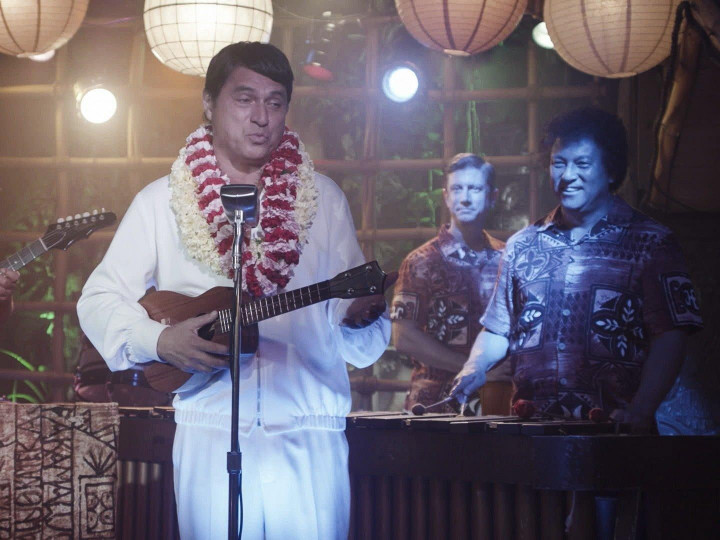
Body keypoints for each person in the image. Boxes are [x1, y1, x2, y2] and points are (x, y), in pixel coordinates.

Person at [77, 42, 390, 539]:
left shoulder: (323, 200)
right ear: (209, 103)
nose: (261, 117)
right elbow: (98, 300)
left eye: (275, 102)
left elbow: (357, 339)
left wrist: (360, 319)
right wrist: (159, 341)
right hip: (209, 430)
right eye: (245, 99)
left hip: (309, 433)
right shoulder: (162, 201)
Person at [451, 107, 703, 432]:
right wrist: (474, 366)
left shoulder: (652, 242)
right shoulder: (521, 245)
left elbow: (671, 335)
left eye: (582, 164)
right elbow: (498, 330)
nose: (568, 175)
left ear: (611, 170)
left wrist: (642, 409)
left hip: (616, 433)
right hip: (532, 431)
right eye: (559, 163)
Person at [391, 154, 511, 413]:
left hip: (498, 402)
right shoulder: (421, 261)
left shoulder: (507, 258)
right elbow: (404, 337)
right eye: (457, 189)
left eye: (474, 189)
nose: (464, 198)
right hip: (434, 406)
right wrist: (472, 367)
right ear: (446, 196)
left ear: (492, 196)